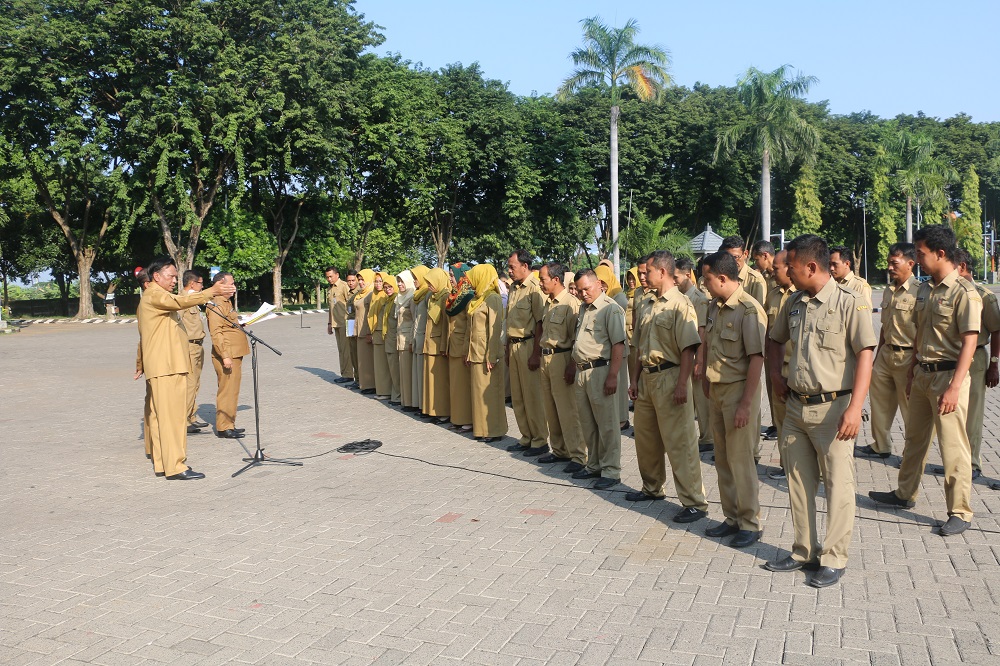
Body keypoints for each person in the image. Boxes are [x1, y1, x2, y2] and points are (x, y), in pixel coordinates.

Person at [765, 234, 875, 588]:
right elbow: (774, 340)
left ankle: (833, 557)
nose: (787, 274)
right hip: (796, 407)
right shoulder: (794, 302)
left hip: (835, 410)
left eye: (792, 268)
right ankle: (803, 551)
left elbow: (865, 355)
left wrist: (855, 408)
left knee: (838, 487)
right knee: (799, 483)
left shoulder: (850, 302)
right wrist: (775, 378)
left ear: (811, 266)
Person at [869, 225, 980, 538]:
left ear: (940, 254)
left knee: (953, 446)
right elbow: (920, 331)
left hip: (949, 377)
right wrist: (912, 369)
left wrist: (956, 387)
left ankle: (960, 511)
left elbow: (969, 341)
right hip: (921, 375)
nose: (916, 259)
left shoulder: (963, 292)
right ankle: (904, 494)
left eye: (920, 253)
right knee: (914, 440)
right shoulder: (926, 290)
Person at [627, 251, 708, 522]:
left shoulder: (680, 304)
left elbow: (688, 348)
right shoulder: (647, 302)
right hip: (647, 378)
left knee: (680, 442)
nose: (643, 276)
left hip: (671, 376)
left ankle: (694, 501)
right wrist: (635, 379)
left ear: (662, 272)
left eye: (647, 271)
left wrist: (682, 384)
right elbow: (638, 345)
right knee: (646, 439)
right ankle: (652, 488)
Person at [138, 256, 235, 480]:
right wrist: (212, 291)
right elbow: (181, 302)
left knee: (162, 417)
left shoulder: (155, 295)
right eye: (171, 276)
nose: (174, 281)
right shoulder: (155, 294)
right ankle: (176, 466)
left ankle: (165, 464)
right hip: (167, 367)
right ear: (156, 276)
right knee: (173, 419)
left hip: (164, 365)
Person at [701, 252, 767, 547]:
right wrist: (705, 377)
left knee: (741, 462)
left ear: (723, 278)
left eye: (707, 279)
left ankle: (750, 524)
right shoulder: (715, 306)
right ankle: (732, 519)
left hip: (738, 392)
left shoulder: (748, 309)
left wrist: (745, 404)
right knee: (724, 460)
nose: (704, 284)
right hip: (717, 391)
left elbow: (756, 359)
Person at [859, 242, 919, 460]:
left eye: (894, 263)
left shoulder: (919, 292)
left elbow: (922, 330)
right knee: (879, 403)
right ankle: (880, 446)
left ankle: (910, 454)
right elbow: (885, 325)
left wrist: (916, 364)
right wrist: (877, 357)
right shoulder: (889, 290)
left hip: (908, 356)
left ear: (910, 264)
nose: (889, 267)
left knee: (909, 410)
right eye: (889, 263)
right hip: (885, 355)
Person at [567, 270, 626, 489]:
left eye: (586, 289)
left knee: (607, 424)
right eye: (579, 290)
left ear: (599, 284)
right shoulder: (584, 308)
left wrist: (613, 376)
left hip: (601, 370)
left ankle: (611, 471)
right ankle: (594, 465)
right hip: (583, 372)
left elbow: (618, 344)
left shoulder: (610, 308)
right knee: (588, 423)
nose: (583, 294)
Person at [946, 250, 1000, 479]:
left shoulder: (985, 296)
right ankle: (955, 462)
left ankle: (973, 463)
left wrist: (994, 364)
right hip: (950, 359)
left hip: (975, 359)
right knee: (952, 413)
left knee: (972, 415)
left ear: (963, 266)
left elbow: (996, 331)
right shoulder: (948, 293)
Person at [535, 261, 586, 472]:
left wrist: (572, 365)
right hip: (546, 360)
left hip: (562, 358)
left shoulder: (571, 303)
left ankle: (577, 455)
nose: (540, 284)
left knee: (567, 410)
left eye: (543, 279)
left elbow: (576, 338)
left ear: (556, 279)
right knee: (551, 408)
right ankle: (559, 450)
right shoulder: (549, 303)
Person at [505, 249, 549, 455]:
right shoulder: (514, 288)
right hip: (513, 346)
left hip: (528, 345)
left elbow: (540, 322)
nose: (509, 271)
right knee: (518, 396)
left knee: (532, 396)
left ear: (525, 266)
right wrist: (507, 349)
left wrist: (535, 353)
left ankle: (539, 440)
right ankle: (526, 437)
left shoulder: (534, 288)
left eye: (512, 267)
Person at [465, 264, 507, 442]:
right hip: (475, 353)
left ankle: (493, 430)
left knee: (490, 395)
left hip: (487, 355)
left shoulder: (493, 298)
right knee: (478, 394)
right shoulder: (477, 299)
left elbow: (494, 329)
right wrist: (468, 353)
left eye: (474, 278)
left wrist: (493, 355)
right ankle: (481, 429)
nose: (470, 282)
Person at [763, 250, 796, 480]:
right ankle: (787, 467)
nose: (772, 272)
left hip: (799, 368)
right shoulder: (773, 295)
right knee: (782, 421)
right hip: (777, 367)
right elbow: (768, 332)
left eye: (776, 268)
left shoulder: (804, 294)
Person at [674, 257, 712, 454]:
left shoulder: (699, 298)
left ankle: (708, 436)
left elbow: (702, 331)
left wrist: (700, 360)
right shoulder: (678, 297)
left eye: (677, 277)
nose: (674, 281)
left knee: (700, 398)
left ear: (688, 274)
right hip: (683, 355)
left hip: (697, 355)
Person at [206, 271, 250, 440]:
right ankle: (224, 427)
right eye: (230, 284)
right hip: (227, 354)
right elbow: (216, 333)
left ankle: (229, 423)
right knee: (227, 390)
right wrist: (225, 356)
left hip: (234, 353)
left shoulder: (226, 302)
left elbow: (228, 324)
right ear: (220, 284)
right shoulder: (216, 304)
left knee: (232, 391)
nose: (234, 287)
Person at [596, 263, 631, 431]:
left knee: (621, 383)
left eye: (603, 282)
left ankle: (623, 420)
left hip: (619, 347)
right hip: (607, 348)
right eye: (598, 282)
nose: (601, 286)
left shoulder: (619, 298)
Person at [179, 270, 209, 433]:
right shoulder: (183, 299)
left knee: (195, 383)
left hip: (198, 345)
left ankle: (191, 416)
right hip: (189, 346)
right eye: (200, 283)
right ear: (192, 284)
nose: (202, 286)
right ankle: (184, 420)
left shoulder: (193, 300)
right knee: (190, 383)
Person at [446, 262, 474, 431]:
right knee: (456, 385)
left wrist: (466, 349)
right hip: (453, 345)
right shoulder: (454, 295)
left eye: (452, 275)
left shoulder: (468, 295)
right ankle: (457, 418)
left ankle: (467, 419)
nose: (450, 278)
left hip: (462, 345)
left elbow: (469, 326)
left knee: (463, 385)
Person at [422, 267, 451, 421]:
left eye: (431, 282)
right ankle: (433, 411)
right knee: (431, 381)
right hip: (429, 342)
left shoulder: (445, 296)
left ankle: (443, 412)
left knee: (440, 381)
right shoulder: (432, 297)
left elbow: (446, 324)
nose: (429, 285)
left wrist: (443, 346)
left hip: (438, 344)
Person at [720, 235, 767, 306]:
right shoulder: (721, 277)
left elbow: (758, 310)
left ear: (745, 254)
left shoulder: (755, 280)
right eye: (728, 258)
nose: (732, 261)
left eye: (736, 257)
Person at [325, 266, 353, 384]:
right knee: (341, 349)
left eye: (331, 276)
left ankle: (349, 374)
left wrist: (352, 323)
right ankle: (344, 373)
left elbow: (351, 303)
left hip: (345, 322)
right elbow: (331, 308)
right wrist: (329, 323)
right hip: (336, 323)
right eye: (327, 277)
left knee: (347, 350)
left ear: (337, 275)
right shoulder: (330, 289)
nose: (329, 279)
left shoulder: (344, 286)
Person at [410, 265, 430, 411]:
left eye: (416, 278)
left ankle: (425, 405)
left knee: (423, 375)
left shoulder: (428, 294)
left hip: (424, 337)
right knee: (417, 374)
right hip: (417, 336)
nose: (414, 281)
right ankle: (419, 404)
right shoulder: (417, 295)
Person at [395, 271, 416, 410]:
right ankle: (405, 400)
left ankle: (410, 402)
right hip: (399, 337)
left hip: (407, 337)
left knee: (408, 372)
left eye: (402, 281)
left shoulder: (412, 298)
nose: (399, 284)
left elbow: (415, 320)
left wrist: (411, 340)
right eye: (398, 281)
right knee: (403, 371)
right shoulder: (399, 297)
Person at [369, 272, 391, 399]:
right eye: (376, 281)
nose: (378, 284)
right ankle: (381, 389)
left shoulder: (385, 296)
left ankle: (385, 391)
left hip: (383, 333)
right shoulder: (374, 295)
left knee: (383, 364)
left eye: (380, 281)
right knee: (379, 363)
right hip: (376, 331)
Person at [829, 245, 873, 309]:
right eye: (829, 264)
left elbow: (865, 314)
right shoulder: (831, 284)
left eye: (835, 264)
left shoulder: (859, 285)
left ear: (847, 264)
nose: (831, 268)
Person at [354, 269, 376, 394]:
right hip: (359, 329)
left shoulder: (371, 293)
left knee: (367, 360)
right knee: (362, 359)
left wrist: (369, 332)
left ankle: (371, 385)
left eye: (363, 279)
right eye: (360, 280)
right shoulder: (360, 293)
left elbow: (370, 314)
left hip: (366, 330)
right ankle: (364, 384)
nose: (361, 282)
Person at [382, 275, 401, 404]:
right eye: (385, 287)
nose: (388, 289)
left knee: (396, 369)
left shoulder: (397, 300)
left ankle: (398, 396)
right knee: (392, 368)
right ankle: (395, 395)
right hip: (389, 337)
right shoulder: (388, 301)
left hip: (394, 338)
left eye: (390, 287)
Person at [344, 270, 360, 389]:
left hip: (356, 325)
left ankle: (360, 379)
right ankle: (357, 378)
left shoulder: (359, 293)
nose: (350, 283)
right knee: (352, 353)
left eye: (353, 280)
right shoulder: (349, 293)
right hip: (350, 324)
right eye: (348, 281)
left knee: (358, 354)